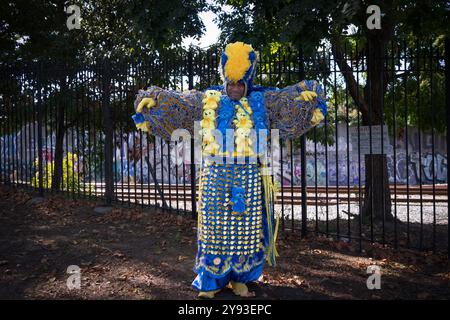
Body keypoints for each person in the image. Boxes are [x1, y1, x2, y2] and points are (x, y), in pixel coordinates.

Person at [131, 41, 327, 298]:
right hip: (215, 176)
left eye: (240, 83)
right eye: (231, 83)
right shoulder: (207, 99)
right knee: (214, 229)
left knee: (245, 230)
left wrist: (305, 99)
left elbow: (286, 103)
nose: (235, 88)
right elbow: (179, 104)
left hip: (248, 178)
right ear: (224, 79)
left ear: (248, 81)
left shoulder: (263, 101)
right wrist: (155, 102)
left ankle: (240, 280)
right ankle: (211, 281)